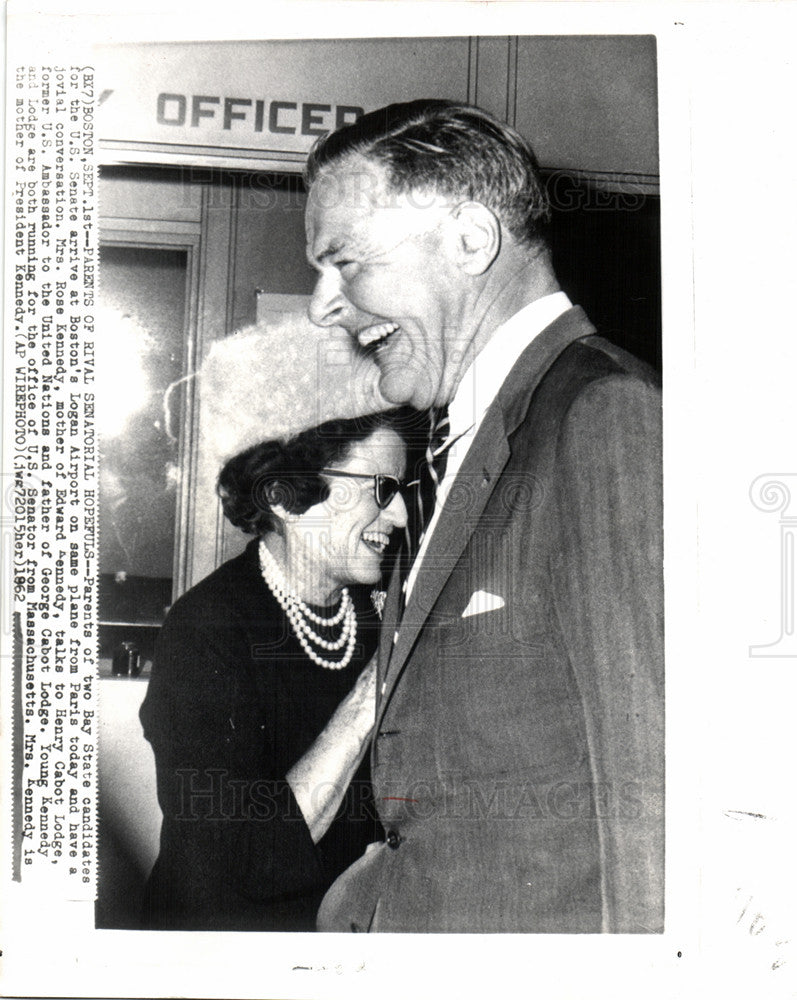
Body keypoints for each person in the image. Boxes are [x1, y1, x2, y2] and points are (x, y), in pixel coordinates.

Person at [304, 100, 664, 933]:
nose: (327, 304)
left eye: (344, 260)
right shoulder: (465, 437)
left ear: (470, 239)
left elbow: (654, 803)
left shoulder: (603, 415)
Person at [139, 319, 409, 931]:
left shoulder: (373, 613)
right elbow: (248, 857)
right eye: (380, 488)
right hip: (217, 951)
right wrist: (369, 699)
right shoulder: (205, 631)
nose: (397, 513)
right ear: (287, 497)